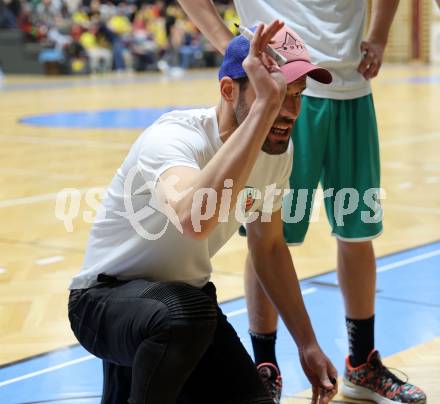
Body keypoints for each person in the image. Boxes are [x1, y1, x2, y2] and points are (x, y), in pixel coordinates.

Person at [68, 21, 338, 404]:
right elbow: (195, 219)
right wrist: (265, 109)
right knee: (185, 316)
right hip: (103, 303)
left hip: (182, 305)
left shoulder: (278, 152)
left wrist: (307, 344)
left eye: (296, 95)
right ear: (229, 90)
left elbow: (270, 248)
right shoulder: (174, 137)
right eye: (275, 94)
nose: (291, 110)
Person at [177, 1, 428, 404]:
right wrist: (228, 43)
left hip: (351, 86)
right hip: (284, 87)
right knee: (267, 234)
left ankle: (361, 364)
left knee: (357, 230)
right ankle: (265, 368)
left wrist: (379, 33)